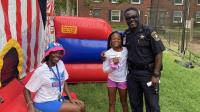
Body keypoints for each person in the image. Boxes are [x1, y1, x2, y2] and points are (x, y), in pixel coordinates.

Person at [123, 7, 165, 112]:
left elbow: (159, 53)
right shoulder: (126, 34)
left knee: (152, 106)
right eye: (128, 18)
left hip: (148, 74)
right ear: (126, 20)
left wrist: (156, 75)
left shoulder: (149, 31)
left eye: (134, 17)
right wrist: (105, 54)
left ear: (139, 17)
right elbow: (119, 49)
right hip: (132, 74)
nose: (131, 20)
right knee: (135, 104)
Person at [24, 42, 85, 112]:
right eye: (54, 52)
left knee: (82, 105)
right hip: (45, 102)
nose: (58, 55)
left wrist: (70, 98)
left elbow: (63, 81)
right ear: (48, 53)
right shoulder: (41, 71)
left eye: (60, 53)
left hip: (57, 99)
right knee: (76, 109)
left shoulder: (61, 64)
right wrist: (30, 106)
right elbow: (26, 89)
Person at [103, 31, 129, 112]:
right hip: (111, 80)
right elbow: (105, 70)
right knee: (111, 103)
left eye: (118, 39)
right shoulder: (107, 53)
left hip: (123, 80)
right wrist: (113, 66)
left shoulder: (126, 50)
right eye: (114, 39)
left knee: (124, 103)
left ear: (121, 40)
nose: (116, 40)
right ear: (110, 40)